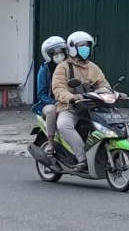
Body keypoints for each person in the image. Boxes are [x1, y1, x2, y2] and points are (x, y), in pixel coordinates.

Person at [52, 31, 110, 170]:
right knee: (64, 125)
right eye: (82, 46)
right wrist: (71, 98)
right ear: (72, 48)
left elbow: (104, 85)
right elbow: (58, 88)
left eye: (87, 46)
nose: (85, 49)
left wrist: (112, 94)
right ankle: (82, 158)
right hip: (70, 107)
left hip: (91, 107)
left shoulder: (93, 67)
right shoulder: (63, 67)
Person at [32, 36, 67, 156]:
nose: (59, 55)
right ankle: (51, 143)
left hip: (66, 101)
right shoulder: (44, 70)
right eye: (55, 53)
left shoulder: (68, 67)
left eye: (61, 51)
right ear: (48, 54)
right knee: (52, 110)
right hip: (47, 103)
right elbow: (41, 94)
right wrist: (54, 102)